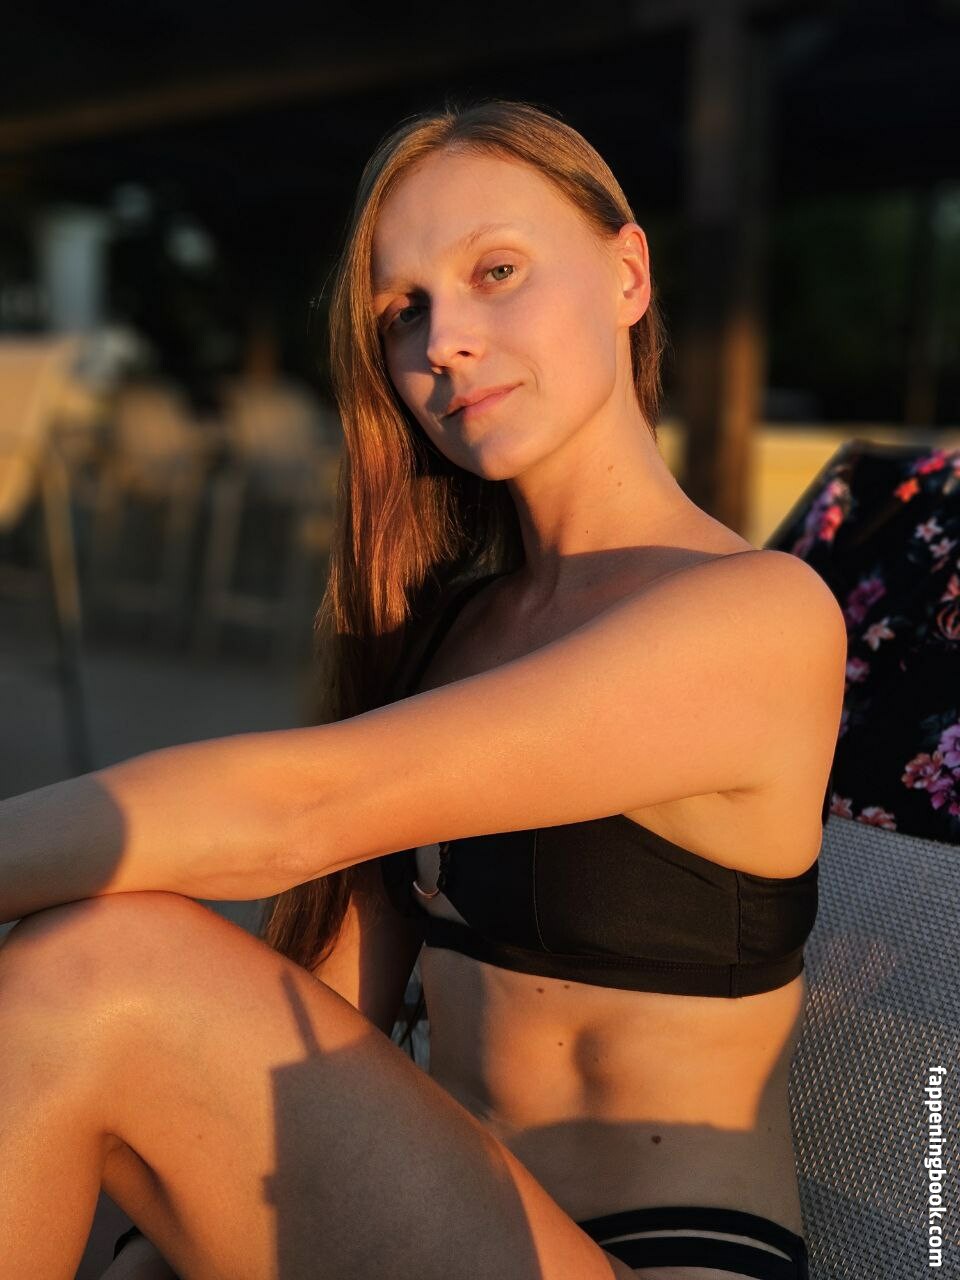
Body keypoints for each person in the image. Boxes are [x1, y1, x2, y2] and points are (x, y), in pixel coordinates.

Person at [0, 98, 846, 1280]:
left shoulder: (756, 616)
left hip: (653, 1256)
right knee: (86, 962)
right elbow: (321, 1018)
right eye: (403, 311)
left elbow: (291, 814)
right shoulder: (456, 627)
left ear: (628, 274)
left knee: (96, 965)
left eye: (496, 271)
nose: (443, 338)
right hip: (422, 1222)